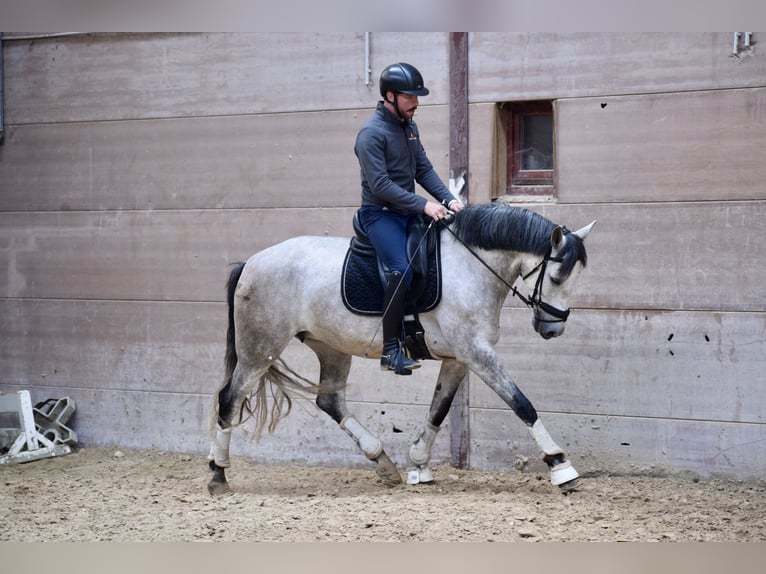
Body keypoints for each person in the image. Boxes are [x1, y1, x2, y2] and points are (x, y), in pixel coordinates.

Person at [354, 62, 464, 375]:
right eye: (409, 97)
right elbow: (381, 186)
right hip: (380, 215)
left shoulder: (409, 127)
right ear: (390, 96)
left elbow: (423, 169)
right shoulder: (371, 135)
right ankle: (390, 350)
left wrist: (450, 200)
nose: (416, 103)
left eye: (417, 97)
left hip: (408, 212)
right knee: (400, 269)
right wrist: (424, 205)